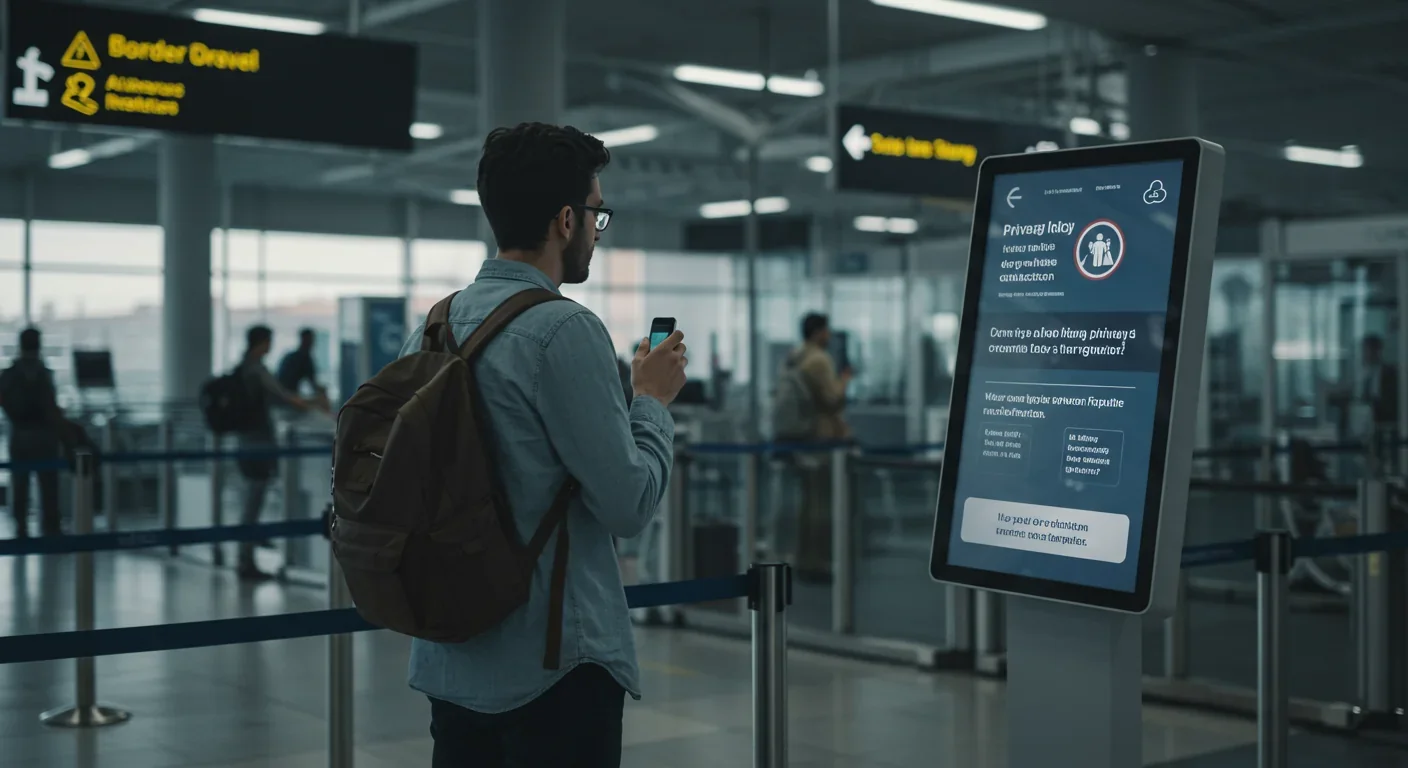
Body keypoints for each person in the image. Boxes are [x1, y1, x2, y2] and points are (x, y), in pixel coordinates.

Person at [401, 122, 686, 767]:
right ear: (565, 220)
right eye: (596, 213)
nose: (597, 231)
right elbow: (628, 505)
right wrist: (651, 401)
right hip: (552, 665)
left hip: (451, 651)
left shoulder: (436, 325)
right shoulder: (563, 329)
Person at [234, 325, 316, 580]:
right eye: (269, 341)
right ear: (261, 342)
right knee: (253, 501)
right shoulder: (257, 370)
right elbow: (282, 396)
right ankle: (245, 560)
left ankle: (246, 553)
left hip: (244, 442)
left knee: (251, 500)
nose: (270, 346)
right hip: (259, 443)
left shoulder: (241, 368)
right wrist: (312, 404)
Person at [776, 313, 851, 582]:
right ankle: (818, 560)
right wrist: (845, 379)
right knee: (821, 501)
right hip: (821, 438)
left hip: (802, 438)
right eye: (826, 330)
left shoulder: (795, 356)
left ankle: (805, 556)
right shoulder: (819, 360)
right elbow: (833, 399)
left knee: (808, 501)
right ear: (818, 332)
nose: (829, 336)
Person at [0, 328, 62, 537]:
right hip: (44, 436)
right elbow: (51, 404)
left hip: (20, 434)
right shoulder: (44, 372)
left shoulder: (9, 374)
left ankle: (21, 527)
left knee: (20, 483)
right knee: (49, 484)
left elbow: (4, 401)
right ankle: (51, 526)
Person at [276, 328, 327, 405]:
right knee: (322, 400)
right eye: (311, 340)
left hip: (283, 395)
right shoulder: (305, 358)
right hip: (290, 397)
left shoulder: (290, 356)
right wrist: (322, 392)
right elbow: (313, 385)